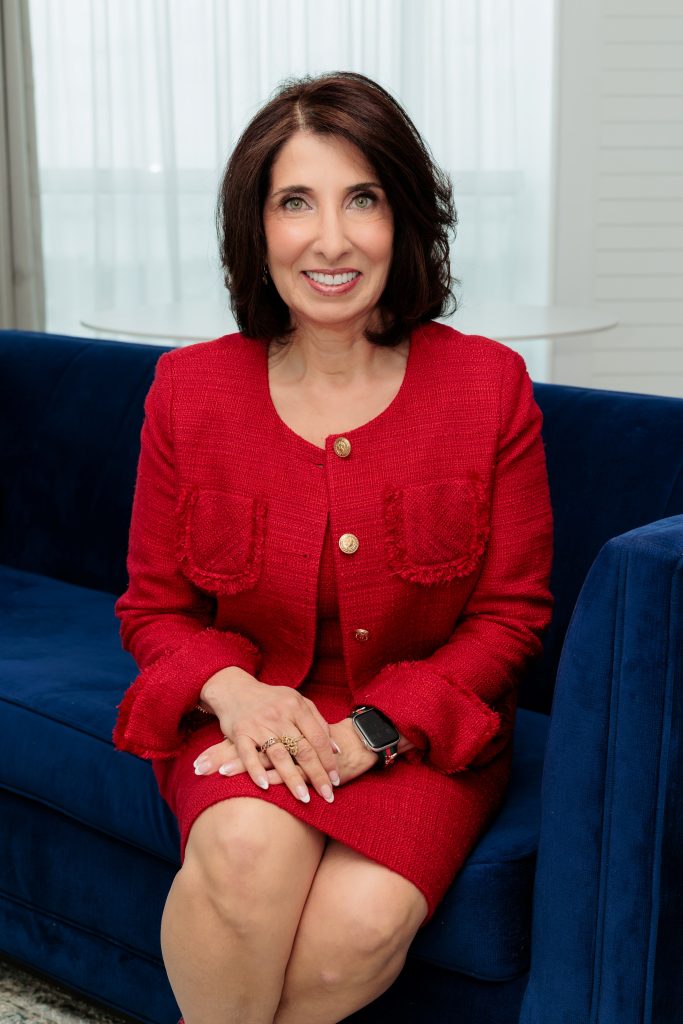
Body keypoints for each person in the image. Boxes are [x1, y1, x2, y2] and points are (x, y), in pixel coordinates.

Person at [113, 71, 554, 1024]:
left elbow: (509, 619)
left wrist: (374, 732)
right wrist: (234, 694)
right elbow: (155, 609)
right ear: (256, 226)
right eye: (294, 203)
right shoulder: (188, 391)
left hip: (425, 727)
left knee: (358, 924)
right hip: (250, 708)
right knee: (242, 853)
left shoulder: (488, 387)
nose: (330, 239)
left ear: (404, 220)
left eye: (362, 199)